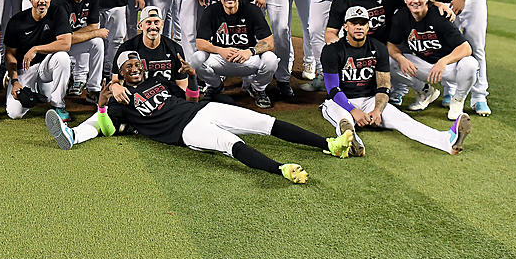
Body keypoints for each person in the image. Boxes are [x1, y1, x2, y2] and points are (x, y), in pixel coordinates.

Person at [47, 51, 355, 185]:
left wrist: (192, 77)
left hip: (201, 109)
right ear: (121, 74)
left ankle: (329, 144)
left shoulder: (160, 81)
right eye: (128, 67)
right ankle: (281, 170)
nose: (135, 68)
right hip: (185, 133)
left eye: (136, 64)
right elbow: (108, 130)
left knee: (263, 123)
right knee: (230, 144)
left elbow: (190, 97)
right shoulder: (119, 99)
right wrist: (101, 104)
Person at [320, 5, 471, 156]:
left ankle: (447, 140)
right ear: (345, 26)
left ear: (368, 26)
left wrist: (378, 110)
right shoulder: (332, 50)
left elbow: (384, 85)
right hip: (339, 101)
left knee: (404, 121)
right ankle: (353, 142)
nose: (358, 27)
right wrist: (354, 111)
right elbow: (333, 89)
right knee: (344, 121)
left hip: (369, 100)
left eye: (362, 23)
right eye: (354, 23)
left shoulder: (378, 48)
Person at [386, 0, 478, 121]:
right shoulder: (401, 16)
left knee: (471, 64)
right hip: (423, 66)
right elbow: (391, 45)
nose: (415, 0)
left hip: (447, 68)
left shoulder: (439, 16)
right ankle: (425, 91)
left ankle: (458, 100)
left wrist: (443, 62)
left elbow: (466, 48)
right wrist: (401, 58)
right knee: (389, 59)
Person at [191, 0, 279, 108]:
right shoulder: (211, 11)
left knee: (271, 59)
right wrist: (220, 50)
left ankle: (258, 89)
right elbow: (200, 43)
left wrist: (250, 51)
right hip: (220, 59)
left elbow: (269, 42)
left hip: (247, 60)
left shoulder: (252, 10)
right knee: (196, 58)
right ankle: (215, 86)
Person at [4, 0, 73, 120]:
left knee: (62, 57)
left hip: (45, 66)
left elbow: (66, 44)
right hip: (25, 68)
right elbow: (10, 54)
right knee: (14, 113)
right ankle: (24, 85)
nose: (42, 0)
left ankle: (58, 105)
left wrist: (36, 49)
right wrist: (15, 81)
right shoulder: (17, 21)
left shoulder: (58, 12)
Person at [52, 0, 105, 100]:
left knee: (97, 42)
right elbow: (63, 39)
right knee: (48, 94)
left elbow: (93, 26)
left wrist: (83, 34)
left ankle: (94, 90)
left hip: (69, 42)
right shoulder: (60, 1)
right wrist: (93, 33)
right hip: (53, 48)